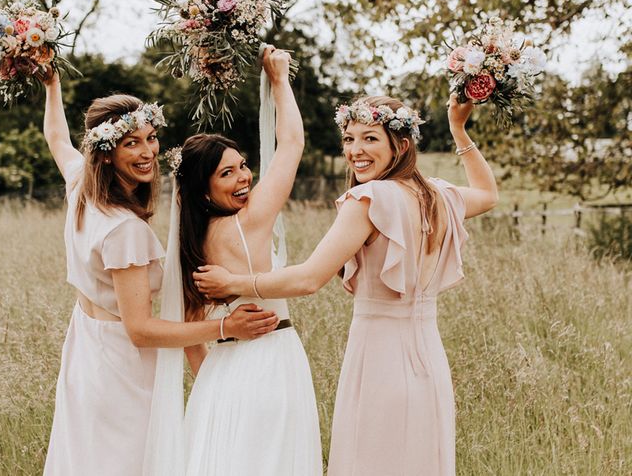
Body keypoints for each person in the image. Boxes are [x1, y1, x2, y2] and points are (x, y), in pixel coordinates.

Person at [194, 93, 498, 475]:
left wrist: (234, 282)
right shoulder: (433, 195)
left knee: (369, 459)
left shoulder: (369, 198)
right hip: (429, 358)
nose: (355, 150)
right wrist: (459, 129)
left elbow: (308, 279)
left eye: (370, 138)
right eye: (350, 138)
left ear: (400, 145)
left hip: (379, 356)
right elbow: (488, 195)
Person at [39, 71, 278, 476]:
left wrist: (52, 86)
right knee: (124, 463)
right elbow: (141, 330)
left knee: (86, 459)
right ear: (106, 152)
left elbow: (57, 139)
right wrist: (225, 329)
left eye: (150, 137)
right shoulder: (124, 231)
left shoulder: (81, 186)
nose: (148, 150)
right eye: (132, 143)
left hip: (86, 349)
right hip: (120, 365)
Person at [175, 47, 323, 475]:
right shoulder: (249, 220)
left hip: (219, 373)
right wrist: (280, 80)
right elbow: (292, 143)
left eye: (242, 166)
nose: (244, 178)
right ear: (204, 190)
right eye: (227, 173)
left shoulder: (191, 243)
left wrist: (213, 382)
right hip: (270, 361)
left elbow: (189, 332)